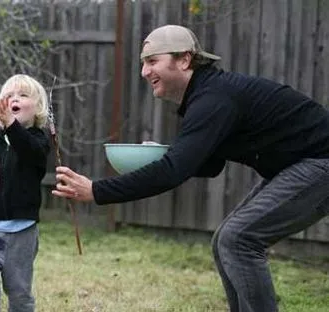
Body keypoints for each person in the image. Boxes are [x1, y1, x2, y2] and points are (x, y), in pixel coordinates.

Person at [52, 25, 329, 312]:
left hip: (320, 162)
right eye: (143, 63)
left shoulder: (213, 98)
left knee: (238, 240)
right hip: (299, 165)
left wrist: (97, 190)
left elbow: (175, 171)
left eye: (152, 61)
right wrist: (165, 156)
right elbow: (210, 165)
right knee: (226, 241)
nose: (144, 72)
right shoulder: (208, 95)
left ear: (184, 60)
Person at [0, 74, 50, 312]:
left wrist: (12, 126)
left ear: (38, 109)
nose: (16, 99)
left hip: (22, 233)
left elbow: (28, 150)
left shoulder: (38, 140)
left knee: (19, 291)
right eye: (10, 95)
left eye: (23, 96)